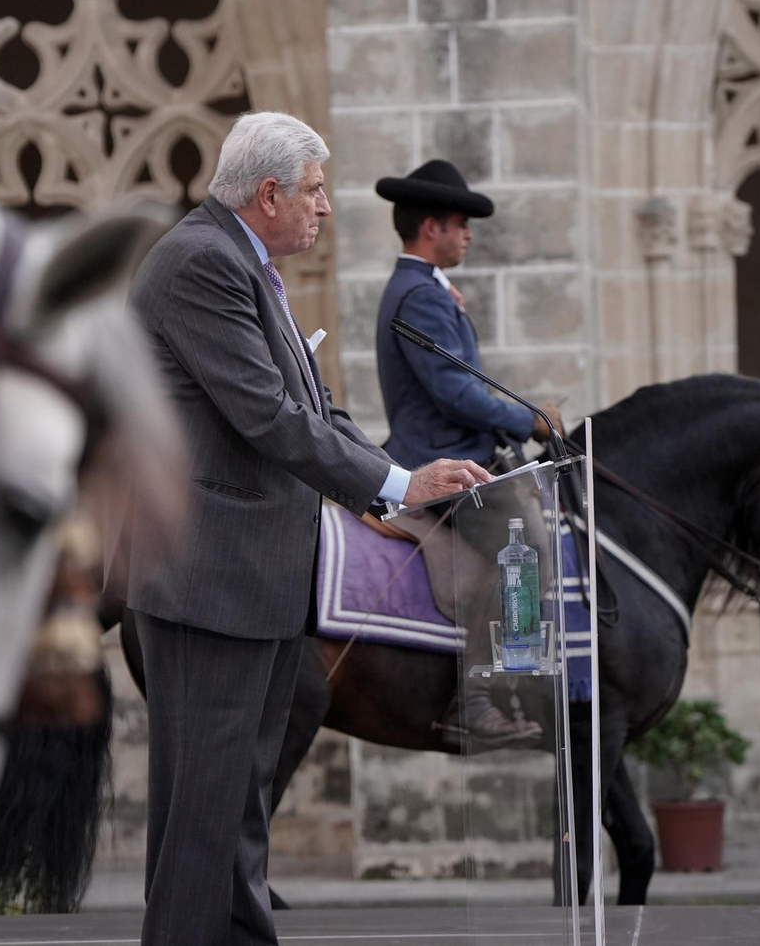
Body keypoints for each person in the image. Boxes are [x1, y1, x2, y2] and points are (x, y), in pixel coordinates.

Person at [122, 112, 490, 946]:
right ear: (268, 193)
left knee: (236, 816)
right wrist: (397, 483)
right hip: (209, 582)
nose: (324, 207)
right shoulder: (202, 263)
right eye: (315, 191)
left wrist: (396, 484)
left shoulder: (243, 262)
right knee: (203, 823)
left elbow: (317, 409)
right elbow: (269, 418)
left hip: (247, 580)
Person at [372, 159, 564, 749]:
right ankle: (477, 698)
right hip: (445, 458)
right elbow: (455, 393)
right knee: (529, 548)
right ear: (432, 227)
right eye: (460, 224)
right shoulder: (420, 296)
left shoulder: (425, 289)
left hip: (457, 447)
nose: (468, 235)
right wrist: (529, 420)